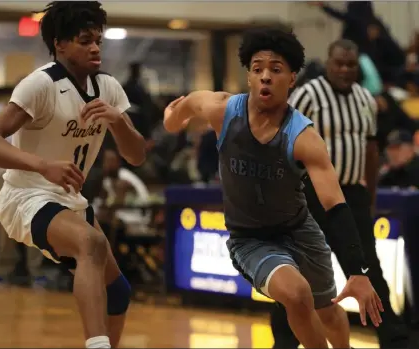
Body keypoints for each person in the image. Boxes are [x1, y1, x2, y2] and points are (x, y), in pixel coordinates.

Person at [163, 28, 383, 349]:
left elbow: (335, 204)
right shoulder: (223, 110)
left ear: (292, 79)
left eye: (276, 70)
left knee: (330, 312)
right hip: (251, 238)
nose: (266, 76)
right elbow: (179, 113)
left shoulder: (304, 137)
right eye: (257, 69)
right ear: (249, 77)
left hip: (300, 230)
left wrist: (358, 272)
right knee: (296, 294)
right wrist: (172, 119)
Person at [0, 2, 146, 348]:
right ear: (59, 44)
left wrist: (118, 122)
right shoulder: (40, 85)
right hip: (24, 196)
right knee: (91, 244)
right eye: (84, 40)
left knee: (117, 290)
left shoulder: (108, 87)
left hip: (69, 199)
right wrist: (43, 165)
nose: (94, 48)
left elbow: (136, 156)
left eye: (98, 41)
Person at [271, 39, 409, 349]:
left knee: (367, 269)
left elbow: (371, 149)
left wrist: (369, 196)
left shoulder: (365, 98)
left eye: (351, 64)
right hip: (310, 197)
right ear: (328, 63)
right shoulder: (307, 95)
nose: (345, 70)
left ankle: (393, 338)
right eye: (339, 64)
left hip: (352, 197)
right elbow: (283, 145)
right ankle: (284, 341)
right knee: (297, 272)